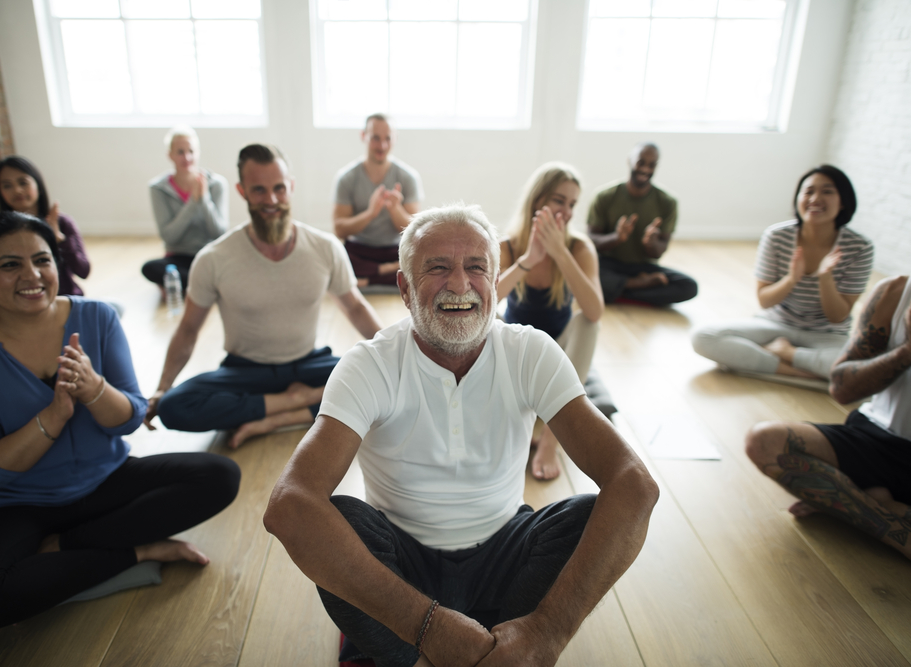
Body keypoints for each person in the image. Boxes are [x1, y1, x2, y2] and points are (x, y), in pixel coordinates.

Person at [265, 204, 658, 666]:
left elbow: (634, 484)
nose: (459, 284)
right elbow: (289, 506)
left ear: (495, 283)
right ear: (405, 289)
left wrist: (547, 633)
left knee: (589, 517)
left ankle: (514, 646)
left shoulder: (529, 351)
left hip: (506, 553)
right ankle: (457, 651)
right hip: (402, 563)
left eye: (477, 268)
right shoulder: (369, 364)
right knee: (339, 524)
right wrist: (426, 625)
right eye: (437, 268)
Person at [0, 212, 241, 633]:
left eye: (43, 260)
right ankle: (135, 554)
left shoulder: (96, 317)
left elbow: (126, 421)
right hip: (17, 503)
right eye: (9, 264)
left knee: (219, 475)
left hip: (106, 481)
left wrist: (93, 389)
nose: (32, 275)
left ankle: (67, 548)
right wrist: (53, 417)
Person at [145, 144, 383, 449]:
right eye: (259, 190)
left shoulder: (324, 247)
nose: (271, 200)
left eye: (279, 189)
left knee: (378, 380)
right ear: (242, 191)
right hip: (244, 372)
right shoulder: (214, 258)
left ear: (291, 187)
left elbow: (355, 307)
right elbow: (189, 329)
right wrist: (162, 388)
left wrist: (390, 355)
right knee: (173, 407)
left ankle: (275, 417)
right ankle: (303, 403)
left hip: (309, 366)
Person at [745, 274, 911, 561]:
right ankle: (897, 530)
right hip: (876, 436)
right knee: (765, 441)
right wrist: (906, 351)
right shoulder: (894, 293)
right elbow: (842, 389)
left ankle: (857, 500)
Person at [692, 166, 874, 382]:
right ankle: (797, 372)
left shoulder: (859, 247)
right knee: (703, 338)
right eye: (808, 192)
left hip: (826, 335)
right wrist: (791, 279)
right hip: (775, 325)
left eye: (827, 191)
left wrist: (825, 278)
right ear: (798, 199)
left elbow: (837, 317)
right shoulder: (777, 236)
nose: (815, 199)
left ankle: (783, 354)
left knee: (860, 371)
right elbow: (765, 301)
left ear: (843, 201)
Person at [498, 162, 604, 481]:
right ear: (538, 200)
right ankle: (532, 418)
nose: (568, 211)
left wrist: (560, 254)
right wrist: (529, 260)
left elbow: (595, 311)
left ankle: (549, 441)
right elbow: (484, 303)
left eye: (572, 204)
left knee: (588, 323)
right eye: (560, 201)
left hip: (559, 355)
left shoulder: (579, 248)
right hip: (519, 352)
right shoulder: (509, 245)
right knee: (489, 319)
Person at [587, 142, 697, 306]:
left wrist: (652, 244)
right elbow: (591, 242)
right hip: (609, 265)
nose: (645, 169)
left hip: (644, 268)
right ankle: (637, 286)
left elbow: (659, 252)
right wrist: (616, 238)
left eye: (651, 165)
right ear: (629, 161)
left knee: (689, 287)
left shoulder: (668, 202)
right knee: (582, 271)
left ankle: (617, 291)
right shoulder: (604, 196)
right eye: (641, 163)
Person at [333, 113, 423, 288]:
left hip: (394, 251)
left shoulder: (408, 177)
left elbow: (415, 233)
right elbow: (339, 230)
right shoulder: (346, 178)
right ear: (363, 136)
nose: (382, 145)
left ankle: (368, 279)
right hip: (359, 251)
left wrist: (395, 210)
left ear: (395, 139)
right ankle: (387, 272)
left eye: (387, 138)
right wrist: (370, 213)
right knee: (336, 256)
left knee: (419, 260)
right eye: (375, 138)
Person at [142, 126, 229, 291]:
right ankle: (203, 285)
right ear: (170, 155)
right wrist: (192, 203)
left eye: (191, 151)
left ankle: (188, 285)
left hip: (210, 255)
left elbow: (219, 233)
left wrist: (204, 199)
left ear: (198, 153)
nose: (187, 157)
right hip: (178, 258)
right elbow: (169, 237)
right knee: (150, 268)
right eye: (180, 152)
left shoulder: (217, 184)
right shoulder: (158, 188)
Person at [0, 156, 89, 297]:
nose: (17, 190)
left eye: (23, 182)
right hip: (23, 305)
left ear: (37, 184)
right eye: (7, 185)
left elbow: (83, 271)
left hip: (65, 301)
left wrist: (59, 240)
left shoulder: (62, 222)